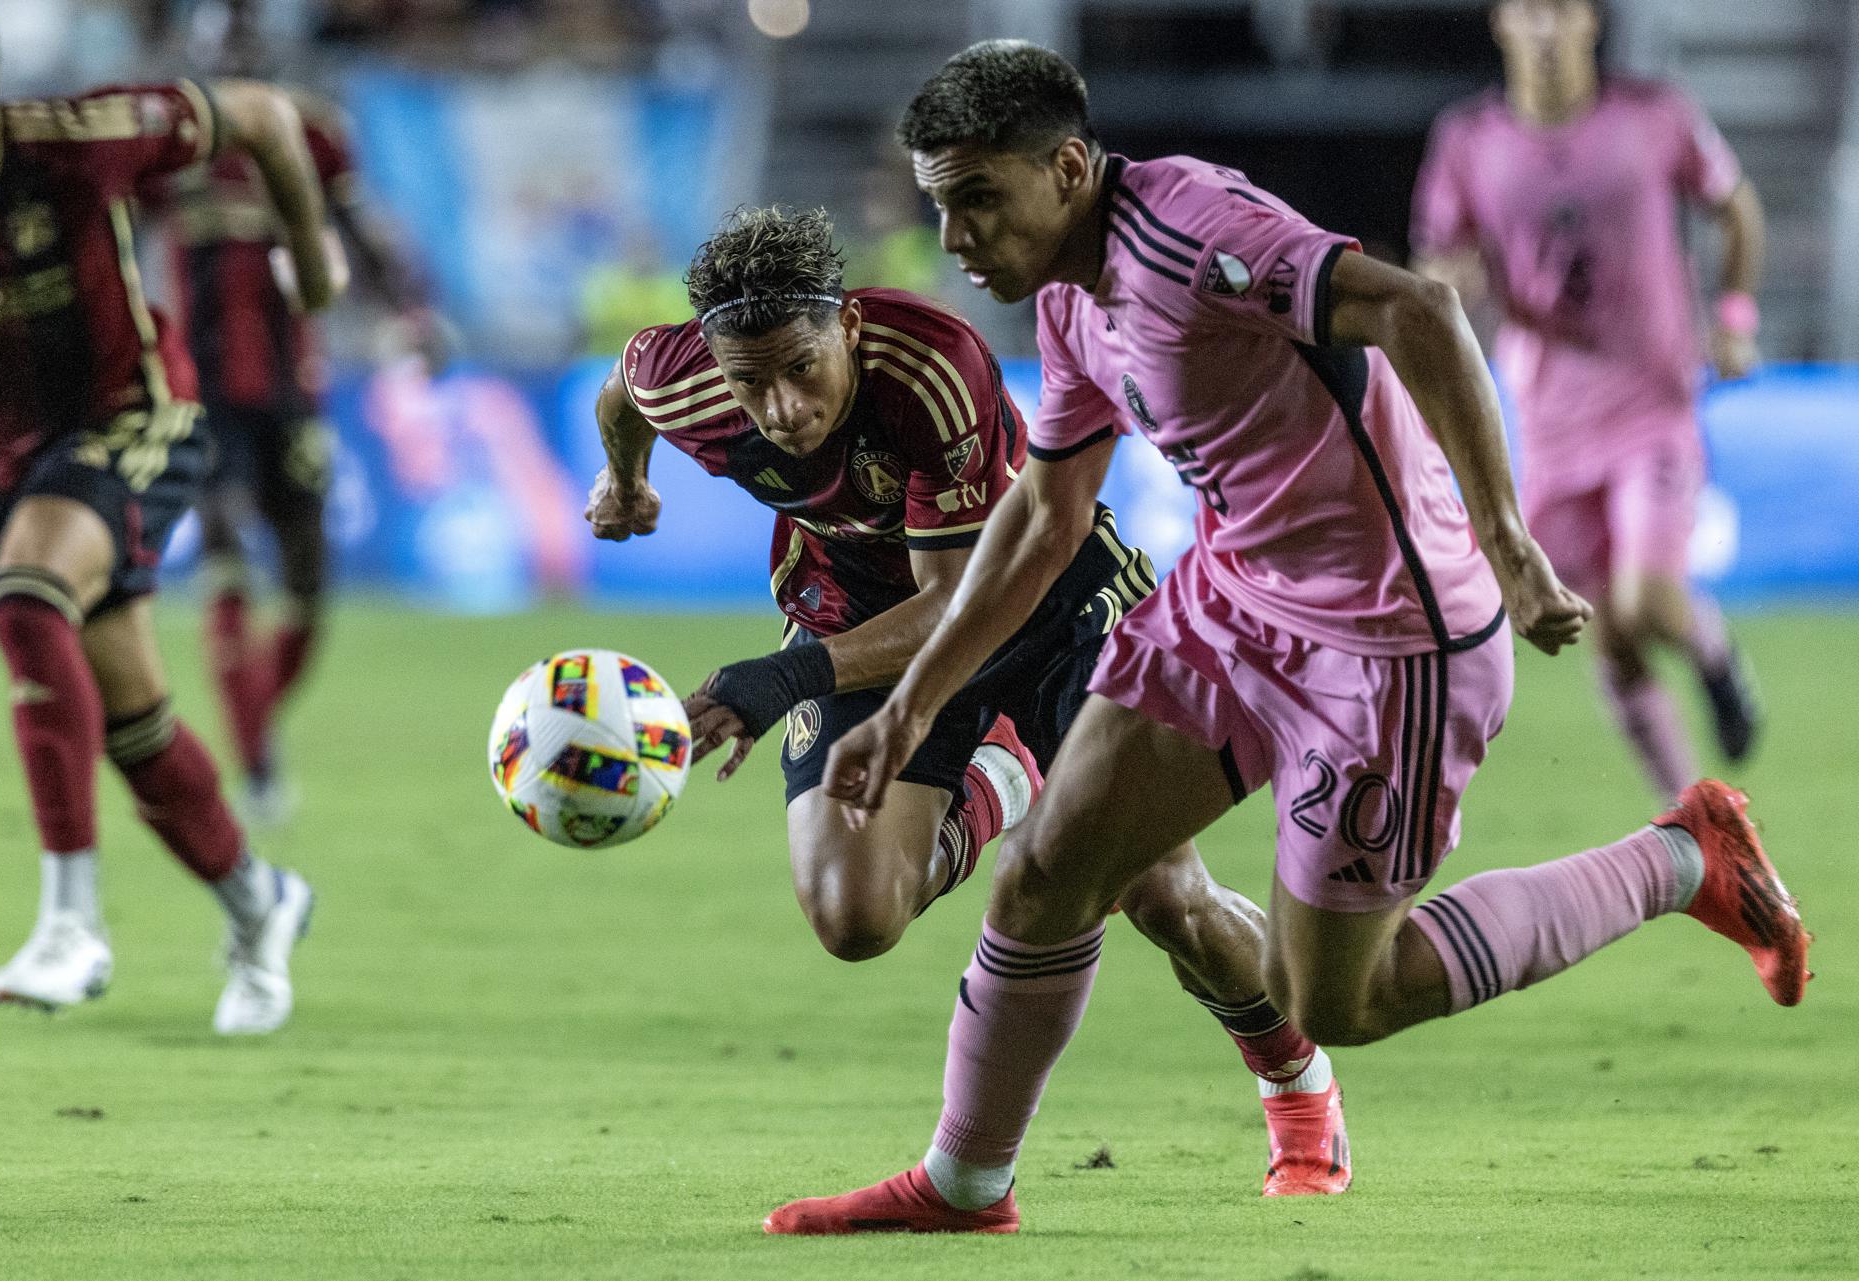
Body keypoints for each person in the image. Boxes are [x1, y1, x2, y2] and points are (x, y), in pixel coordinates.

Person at [763, 40, 1809, 1236]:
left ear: (1064, 167)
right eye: (941, 206)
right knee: (1050, 870)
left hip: (1390, 636)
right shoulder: (1065, 294)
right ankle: (965, 1183)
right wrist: (909, 710)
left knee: (1343, 996)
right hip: (1236, 597)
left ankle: (1683, 861)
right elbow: (1045, 517)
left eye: (976, 202)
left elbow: (1419, 306)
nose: (954, 240)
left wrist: (1506, 541)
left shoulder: (1192, 232)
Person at [585, 205, 1354, 1196]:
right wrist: (623, 484)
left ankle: (1298, 1085)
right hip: (855, 610)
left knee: (1163, 896)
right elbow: (621, 394)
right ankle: (1011, 775)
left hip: (1040, 601)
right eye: (751, 382)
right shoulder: (675, 373)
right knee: (853, 915)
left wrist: (781, 678)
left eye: (801, 371)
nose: (780, 410)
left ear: (848, 329)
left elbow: (955, 606)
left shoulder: (933, 369)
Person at [0, 0, 337, 1034]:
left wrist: (313, 252)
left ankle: (71, 920)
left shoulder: (81, 137)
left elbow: (257, 113)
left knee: (29, 600)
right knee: (134, 730)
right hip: (7, 468)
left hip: (138, 420)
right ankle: (261, 902)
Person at [1412, 0, 1765, 806]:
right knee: (1606, 634)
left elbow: (1737, 207)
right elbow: (1440, 266)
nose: (1545, 29)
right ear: (1501, 23)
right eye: (1529, 11)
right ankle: (1697, 820)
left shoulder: (1653, 116)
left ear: (1590, 23)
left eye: (1561, 11)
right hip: (1548, 423)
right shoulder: (1468, 142)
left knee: (1646, 598)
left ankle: (1714, 655)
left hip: (1653, 404)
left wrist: (1735, 318)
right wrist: (1454, 282)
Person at [148, 9, 441, 824]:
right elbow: (106, 234)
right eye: (221, 40)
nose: (235, 53)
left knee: (310, 588)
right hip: (197, 397)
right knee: (226, 556)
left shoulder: (312, 137)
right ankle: (258, 768)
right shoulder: (169, 138)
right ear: (199, 50)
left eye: (247, 37)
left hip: (291, 394)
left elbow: (362, 229)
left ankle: (253, 722)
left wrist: (412, 311)